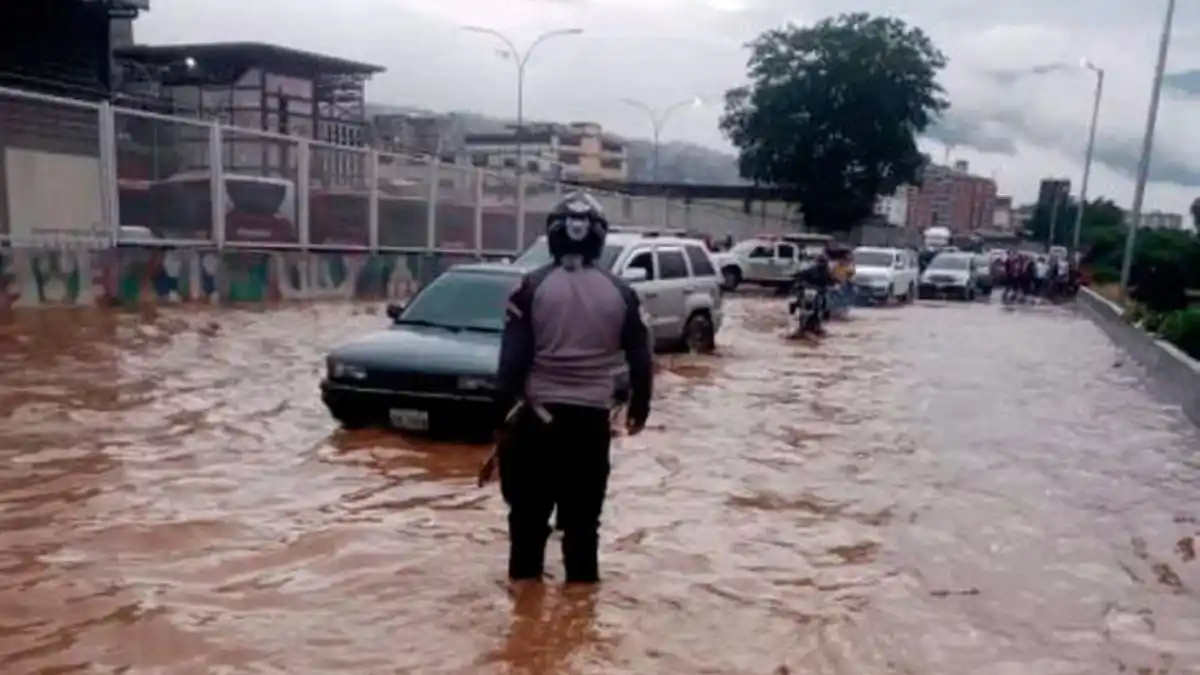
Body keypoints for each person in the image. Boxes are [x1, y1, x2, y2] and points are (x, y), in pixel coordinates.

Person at [494, 191, 654, 585]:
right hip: (591, 425)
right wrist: (640, 409)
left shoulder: (529, 288)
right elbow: (642, 359)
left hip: (537, 423)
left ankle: (526, 621)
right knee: (583, 528)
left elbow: (511, 363)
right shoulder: (622, 294)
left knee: (527, 524)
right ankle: (580, 618)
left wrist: (500, 421)